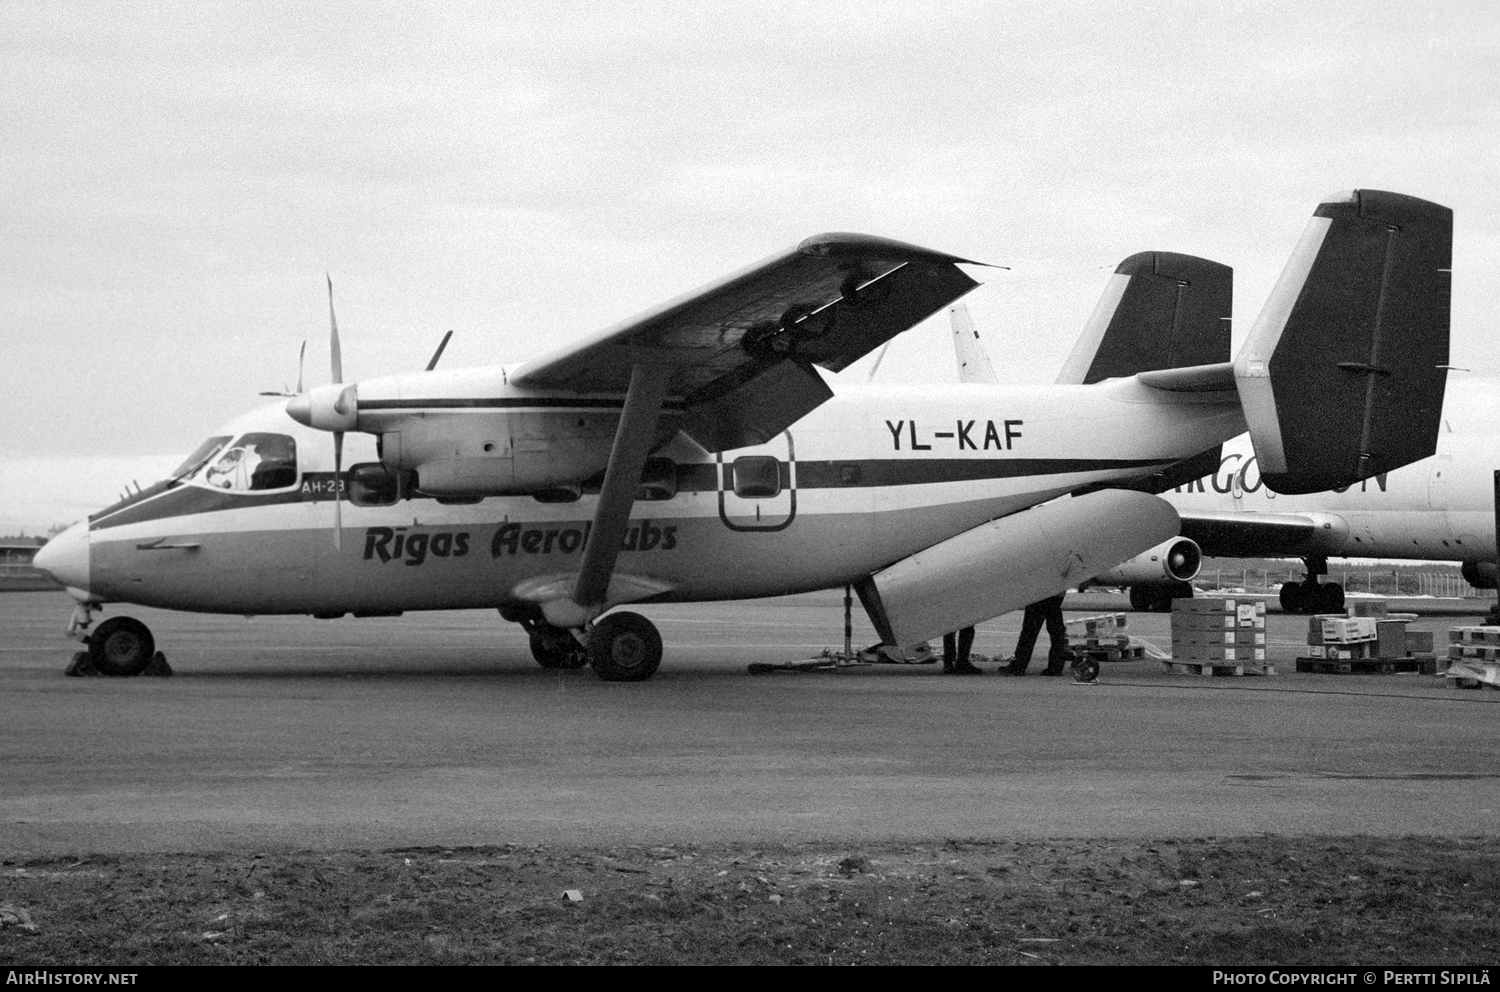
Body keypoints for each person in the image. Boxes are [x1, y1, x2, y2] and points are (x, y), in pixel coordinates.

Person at [1003, 592, 1070, 676]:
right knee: (1056, 631)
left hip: (1039, 594)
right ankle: (1055, 666)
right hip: (1056, 593)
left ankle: (1019, 665)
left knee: (1029, 631)